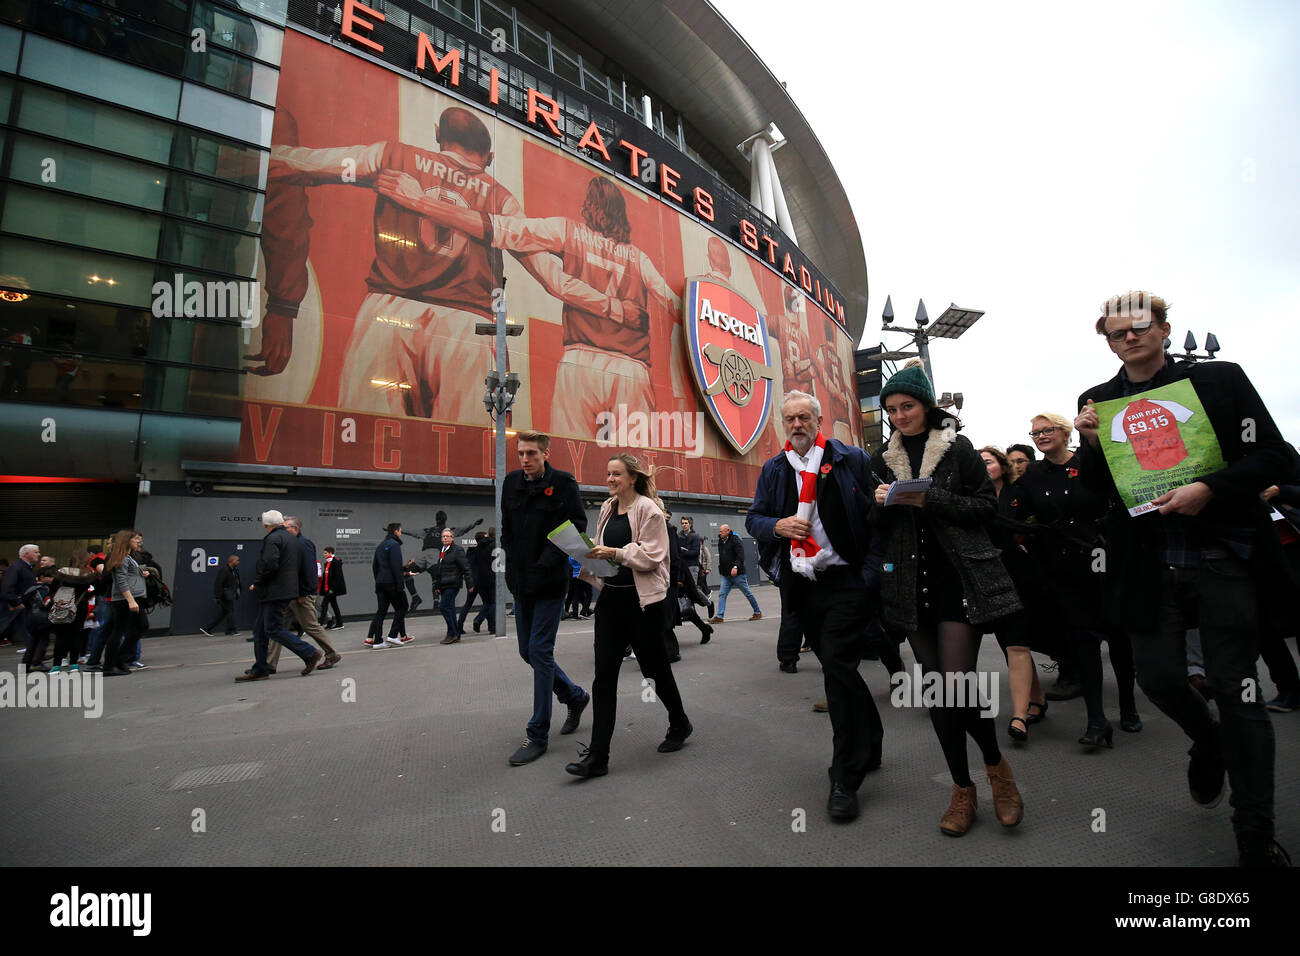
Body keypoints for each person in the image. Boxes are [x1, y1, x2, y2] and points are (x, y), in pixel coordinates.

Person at [1074, 290, 1292, 867]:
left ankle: (1254, 836)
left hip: (1223, 558)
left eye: (1140, 327)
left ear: (1165, 329)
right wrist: (1093, 446)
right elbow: (1098, 494)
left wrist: (1210, 489)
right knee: (1161, 680)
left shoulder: (1219, 381)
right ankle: (1209, 739)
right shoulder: (1099, 402)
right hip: (1149, 567)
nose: (1128, 338)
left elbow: (1276, 457)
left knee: (1238, 691)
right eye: (1115, 332)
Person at [375, 172, 680, 439]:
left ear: (590, 205)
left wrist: (421, 203)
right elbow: (671, 301)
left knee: (571, 455)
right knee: (635, 464)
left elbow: (504, 230)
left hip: (580, 359)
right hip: (632, 366)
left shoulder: (567, 230)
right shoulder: (638, 257)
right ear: (621, 213)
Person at [872, 360, 1024, 836]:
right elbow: (875, 526)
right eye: (892, 409)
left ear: (927, 405)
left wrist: (928, 498)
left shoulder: (957, 449)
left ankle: (997, 768)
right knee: (939, 694)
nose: (899, 416)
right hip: (909, 584)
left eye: (907, 406)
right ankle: (963, 790)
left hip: (959, 580)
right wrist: (879, 502)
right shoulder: (882, 458)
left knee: (956, 685)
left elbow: (985, 507)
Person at [746, 390, 885, 821]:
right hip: (802, 584)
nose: (796, 425)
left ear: (818, 420)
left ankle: (844, 776)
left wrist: (870, 575)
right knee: (837, 667)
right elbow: (755, 519)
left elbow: (875, 518)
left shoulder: (850, 459)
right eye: (789, 419)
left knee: (838, 668)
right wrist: (777, 525)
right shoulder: (774, 469)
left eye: (804, 417)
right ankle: (872, 738)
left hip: (846, 581)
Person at [1013, 413, 1140, 747]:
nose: (1040, 436)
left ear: (1065, 432)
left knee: (1118, 639)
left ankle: (1128, 706)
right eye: (1035, 432)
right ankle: (1097, 720)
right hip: (1062, 569)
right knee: (1083, 642)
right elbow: (1013, 512)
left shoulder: (1090, 462)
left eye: (1047, 429)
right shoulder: (1034, 474)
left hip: (1104, 562)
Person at [566, 454, 691, 777]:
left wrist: (615, 553)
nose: (609, 479)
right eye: (607, 473)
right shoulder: (607, 509)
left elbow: (652, 556)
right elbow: (601, 545)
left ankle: (679, 722)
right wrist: (584, 550)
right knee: (603, 677)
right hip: (611, 600)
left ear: (632, 478)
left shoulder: (649, 510)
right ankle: (598, 757)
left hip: (643, 603)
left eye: (616, 474)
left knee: (655, 670)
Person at [501, 431, 591, 766]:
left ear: (545, 453)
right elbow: (507, 529)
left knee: (540, 650)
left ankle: (537, 733)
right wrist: (511, 572)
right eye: (521, 453)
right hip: (522, 584)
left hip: (551, 583)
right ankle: (575, 696)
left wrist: (546, 564)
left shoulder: (564, 484)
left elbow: (577, 526)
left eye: (531, 454)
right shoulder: (511, 483)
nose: (525, 460)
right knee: (528, 651)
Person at [979, 446, 1049, 742]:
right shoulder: (975, 500)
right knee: (1009, 641)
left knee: (1017, 643)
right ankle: (1037, 698)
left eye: (989, 461)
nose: (984, 467)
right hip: (991, 579)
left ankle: (1019, 715)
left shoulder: (1020, 491)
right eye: (979, 463)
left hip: (1022, 574)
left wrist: (1027, 543)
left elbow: (1041, 523)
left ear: (1001, 464)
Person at [236, 510, 323, 682]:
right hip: (287, 590)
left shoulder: (273, 539)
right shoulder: (292, 539)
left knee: (272, 628)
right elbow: (303, 566)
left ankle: (309, 652)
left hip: (274, 591)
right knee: (260, 629)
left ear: (266, 525)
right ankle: (261, 667)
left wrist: (259, 582)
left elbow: (269, 564)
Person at [267, 517, 341, 670]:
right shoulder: (292, 543)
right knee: (278, 627)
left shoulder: (302, 544)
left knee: (310, 626)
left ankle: (332, 654)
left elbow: (309, 570)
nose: (283, 530)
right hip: (290, 594)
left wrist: (303, 593)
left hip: (301, 594)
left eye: (286, 527)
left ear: (295, 529)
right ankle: (269, 663)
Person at [101, 530, 151, 677]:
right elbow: (121, 580)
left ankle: (118, 660)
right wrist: (130, 600)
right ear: (127, 540)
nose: (138, 542)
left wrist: (141, 573)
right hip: (125, 600)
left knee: (136, 627)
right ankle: (111, 664)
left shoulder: (129, 557)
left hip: (130, 598)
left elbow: (126, 575)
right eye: (135, 539)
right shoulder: (122, 557)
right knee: (120, 630)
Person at [47, 551, 96, 673]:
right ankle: (74, 664)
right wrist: (88, 596)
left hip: (63, 604)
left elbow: (52, 589)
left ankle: (56, 665)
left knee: (61, 635)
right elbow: (99, 588)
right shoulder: (88, 573)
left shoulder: (62, 572)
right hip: (80, 605)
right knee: (76, 634)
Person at [366, 523, 409, 648]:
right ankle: (393, 635)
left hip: (380, 582)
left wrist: (378, 580)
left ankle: (378, 640)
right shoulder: (394, 545)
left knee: (381, 611)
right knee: (402, 607)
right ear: (396, 531)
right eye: (400, 531)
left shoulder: (381, 545)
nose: (401, 533)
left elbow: (375, 566)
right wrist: (400, 584)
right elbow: (396, 566)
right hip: (392, 583)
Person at [709, 525, 761, 623]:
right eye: (720, 531)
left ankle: (757, 612)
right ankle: (720, 616)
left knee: (747, 593)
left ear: (728, 530)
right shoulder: (721, 540)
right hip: (726, 574)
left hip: (738, 574)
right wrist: (722, 570)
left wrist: (736, 567)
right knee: (722, 594)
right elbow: (722, 556)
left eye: (722, 531)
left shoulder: (736, 540)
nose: (720, 533)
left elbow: (740, 555)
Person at [426, 528, 470, 644]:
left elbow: (466, 568)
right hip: (443, 584)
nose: (445, 538)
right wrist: (437, 586)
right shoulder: (442, 550)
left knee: (444, 607)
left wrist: (470, 584)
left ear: (452, 538)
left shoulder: (457, 550)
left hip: (453, 583)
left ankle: (452, 633)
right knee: (450, 609)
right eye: (443, 536)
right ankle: (455, 634)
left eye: (447, 536)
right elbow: (440, 570)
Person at [0, 544, 39, 652]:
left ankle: (34, 658)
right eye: (36, 552)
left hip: (21, 605)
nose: (38, 554)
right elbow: (7, 588)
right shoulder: (16, 568)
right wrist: (16, 603)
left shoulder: (26, 568)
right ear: (27, 554)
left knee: (27, 632)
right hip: (13, 606)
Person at [461, 531, 497, 634]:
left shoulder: (473, 549)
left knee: (470, 604)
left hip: (477, 580)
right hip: (489, 578)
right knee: (491, 603)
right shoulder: (492, 545)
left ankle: (459, 626)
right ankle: (488, 625)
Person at [200, 555, 241, 637]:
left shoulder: (234, 570)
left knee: (224, 613)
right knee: (230, 611)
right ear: (231, 561)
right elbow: (218, 583)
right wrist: (218, 596)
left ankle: (207, 628)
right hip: (225, 595)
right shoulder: (224, 570)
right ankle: (231, 630)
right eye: (237, 560)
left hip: (230, 594)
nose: (238, 562)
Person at [319, 546, 346, 629]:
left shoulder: (335, 562)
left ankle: (320, 624)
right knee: (334, 605)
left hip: (331, 590)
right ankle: (339, 623)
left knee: (324, 605)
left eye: (325, 553)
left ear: (330, 553)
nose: (324, 555)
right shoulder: (327, 563)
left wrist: (332, 589)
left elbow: (338, 577)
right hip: (327, 589)